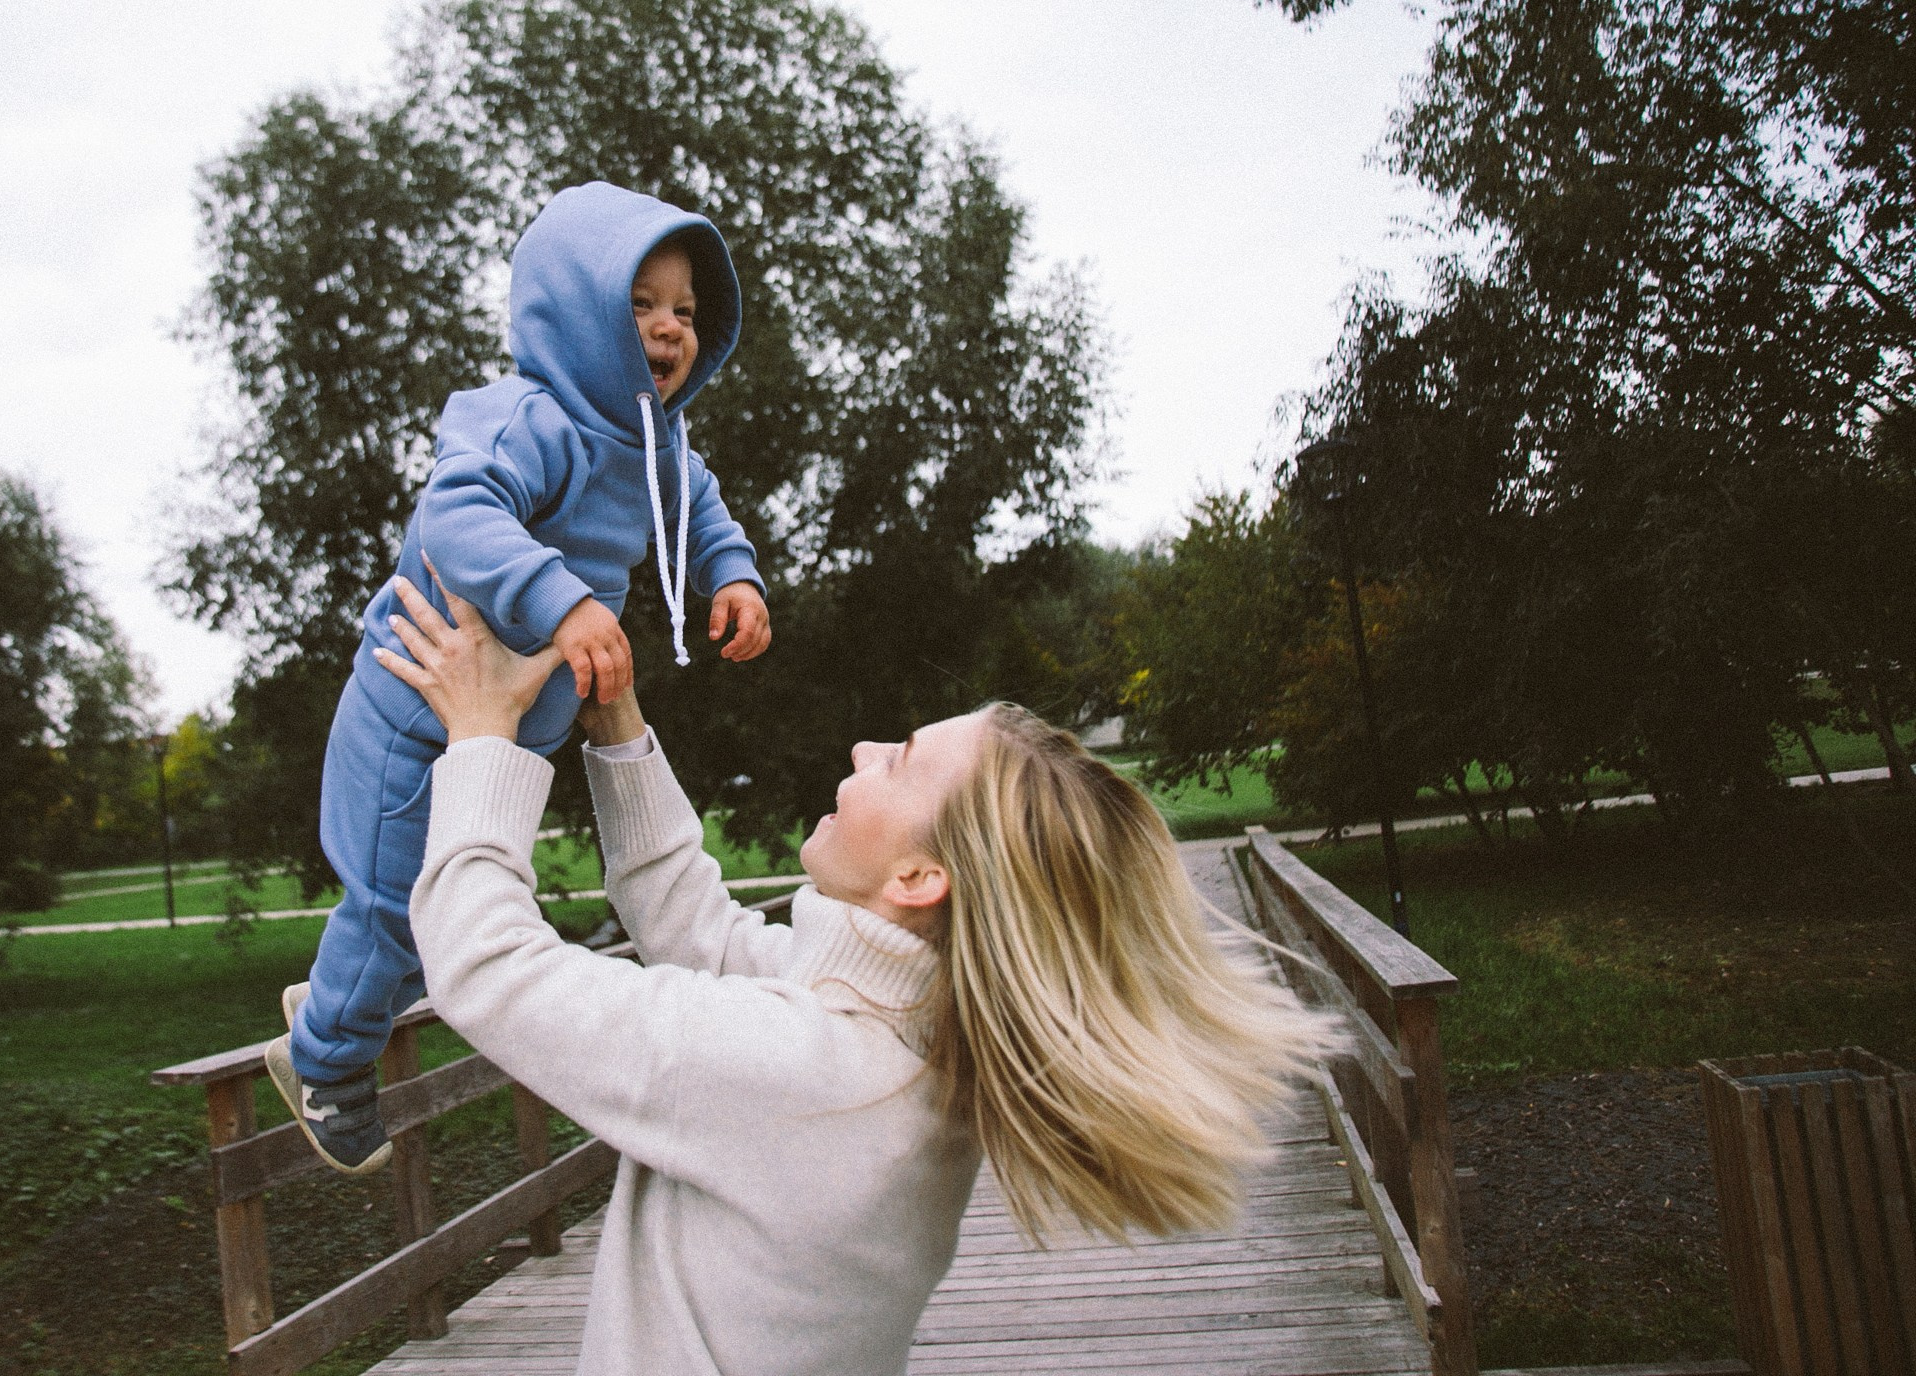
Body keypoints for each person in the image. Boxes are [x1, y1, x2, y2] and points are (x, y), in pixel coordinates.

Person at [363, 573, 1341, 1376]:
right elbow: (695, 924)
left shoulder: (808, 1077)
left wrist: (482, 736)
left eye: (902, 760)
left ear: (920, 876)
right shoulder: (893, 1043)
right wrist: (618, 722)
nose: (865, 749)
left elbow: (486, 966)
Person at [270, 182, 773, 1174]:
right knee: (393, 906)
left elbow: (702, 505)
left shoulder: (655, 442)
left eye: (687, 311)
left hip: (503, 728)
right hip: (417, 716)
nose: (670, 328)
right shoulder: (528, 418)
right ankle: (323, 1059)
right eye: (641, 304)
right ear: (576, 310)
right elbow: (456, 517)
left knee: (446, 903)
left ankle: (334, 1002)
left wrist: (734, 572)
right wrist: (564, 601)